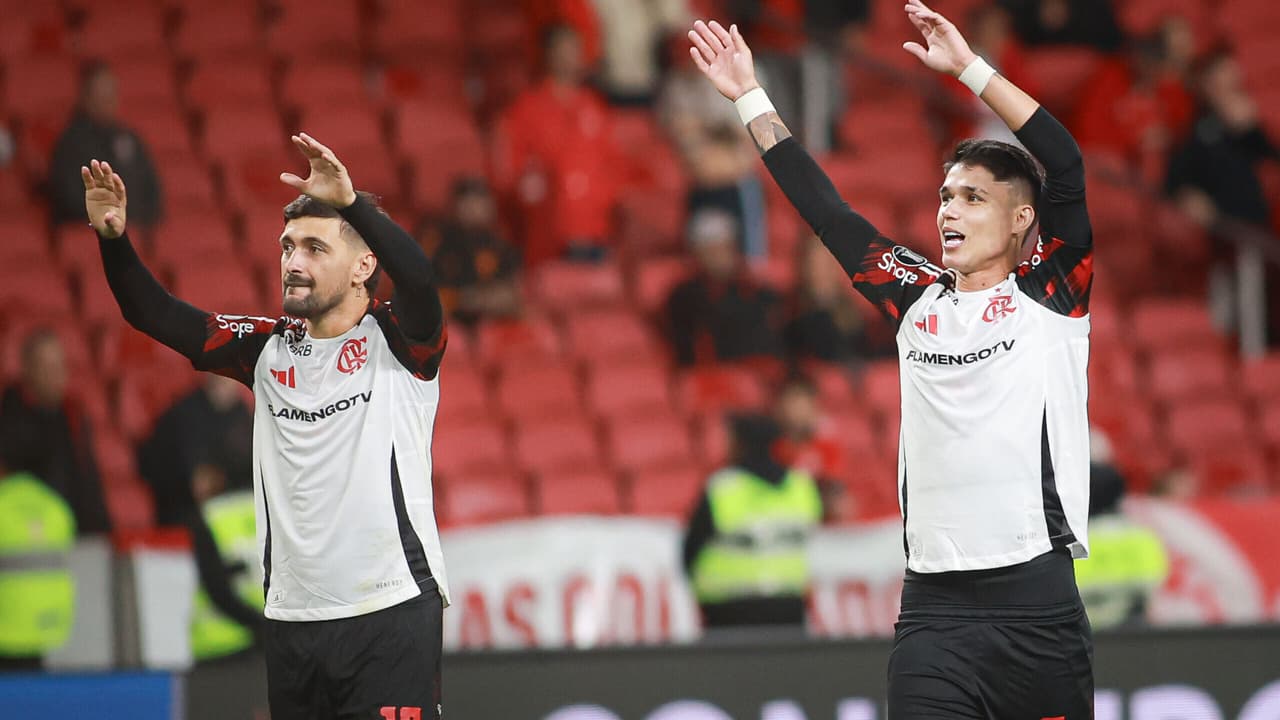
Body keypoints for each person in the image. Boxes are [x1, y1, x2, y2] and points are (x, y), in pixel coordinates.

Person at [689, 1, 1095, 715]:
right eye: (945, 196)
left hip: (1037, 609)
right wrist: (750, 94)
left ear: (1021, 218)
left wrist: (968, 68)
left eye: (972, 197)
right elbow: (829, 213)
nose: (949, 212)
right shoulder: (917, 297)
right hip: (933, 614)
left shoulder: (1053, 296)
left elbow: (1064, 160)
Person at [83, 132, 449, 718]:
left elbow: (422, 282)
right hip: (291, 622)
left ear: (363, 266)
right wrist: (114, 241)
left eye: (313, 248)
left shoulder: (400, 343)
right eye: (287, 247)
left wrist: (352, 204)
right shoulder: (267, 350)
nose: (293, 263)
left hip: (390, 613)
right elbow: (150, 313)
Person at [136, 374, 262, 656]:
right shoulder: (184, 417)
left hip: (240, 540)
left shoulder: (243, 414)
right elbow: (198, 484)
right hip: (199, 536)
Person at [493, 23, 620, 264]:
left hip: (596, 228)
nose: (570, 57)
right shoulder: (526, 108)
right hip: (548, 231)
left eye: (575, 49)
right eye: (564, 49)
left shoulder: (594, 107)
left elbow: (612, 163)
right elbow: (510, 169)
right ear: (548, 54)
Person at [682, 414, 822, 630]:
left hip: (728, 608)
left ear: (740, 443)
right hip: (789, 607)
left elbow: (689, 551)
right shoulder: (801, 485)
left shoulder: (723, 488)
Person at [0, 329, 112, 536]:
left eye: (60, 366)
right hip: (30, 536)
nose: (57, 374)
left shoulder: (74, 416)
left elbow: (89, 486)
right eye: (47, 367)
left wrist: (103, 533)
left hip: (78, 536)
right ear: (27, 369)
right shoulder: (9, 419)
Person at [664, 208, 785, 366]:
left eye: (724, 246)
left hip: (761, 373)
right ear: (696, 253)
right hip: (715, 377)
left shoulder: (760, 292)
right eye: (711, 249)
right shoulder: (684, 297)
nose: (719, 255)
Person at [49, 61, 161, 228]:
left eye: (112, 93)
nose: (108, 100)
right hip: (91, 233)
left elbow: (152, 190)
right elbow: (68, 198)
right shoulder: (69, 145)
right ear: (86, 97)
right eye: (101, 95)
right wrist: (107, 222)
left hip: (134, 230)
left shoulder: (129, 138)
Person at [417, 177, 522, 326]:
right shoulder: (436, 238)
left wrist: (480, 300)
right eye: (468, 200)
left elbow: (512, 295)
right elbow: (422, 294)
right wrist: (465, 299)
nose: (475, 207)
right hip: (445, 322)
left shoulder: (499, 242)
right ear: (454, 204)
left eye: (481, 200)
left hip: (489, 321)